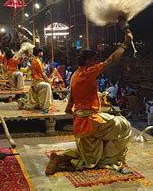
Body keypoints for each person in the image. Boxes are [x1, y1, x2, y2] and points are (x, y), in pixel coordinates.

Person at [45, 31, 133, 175]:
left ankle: (60, 159)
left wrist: (69, 109)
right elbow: (110, 61)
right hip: (91, 120)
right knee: (124, 126)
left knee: (86, 157)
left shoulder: (75, 75)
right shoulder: (88, 72)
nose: (96, 62)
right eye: (94, 59)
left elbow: (71, 97)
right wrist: (125, 44)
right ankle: (110, 159)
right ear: (87, 61)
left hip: (80, 121)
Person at [18, 47, 53, 114]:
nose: (42, 53)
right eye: (41, 52)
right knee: (47, 86)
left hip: (37, 81)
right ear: (39, 53)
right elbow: (43, 74)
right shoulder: (37, 61)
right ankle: (45, 108)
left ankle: (43, 105)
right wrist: (49, 81)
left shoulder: (36, 60)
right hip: (37, 82)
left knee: (47, 85)